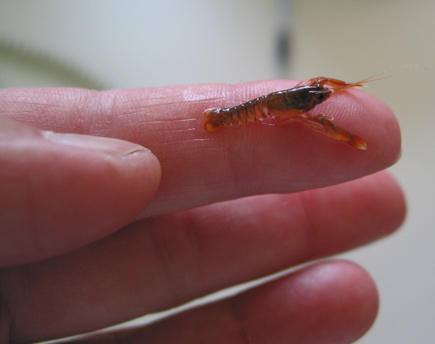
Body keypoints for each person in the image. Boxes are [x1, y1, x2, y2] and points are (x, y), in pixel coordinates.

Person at [0, 80, 406, 343]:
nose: (317, 96)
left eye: (316, 96)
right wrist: (338, 130)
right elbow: (310, 114)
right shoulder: (282, 109)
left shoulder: (297, 100)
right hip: (238, 116)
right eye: (314, 96)